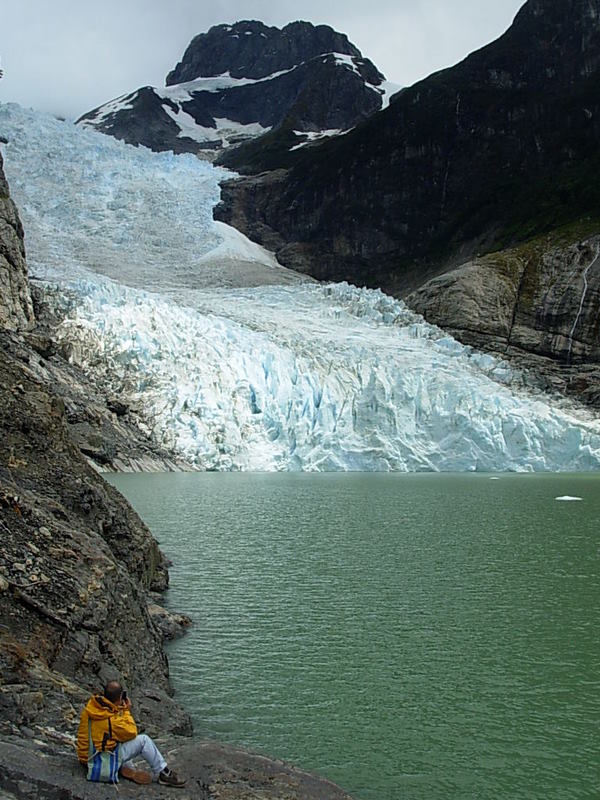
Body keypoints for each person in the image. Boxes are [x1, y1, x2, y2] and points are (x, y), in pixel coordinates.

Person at [77, 679, 186, 787]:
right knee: (143, 740)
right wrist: (126, 711)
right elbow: (132, 732)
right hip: (99, 759)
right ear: (120, 697)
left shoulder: (91, 707)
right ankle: (164, 773)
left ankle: (125, 767)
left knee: (114, 737)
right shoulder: (113, 721)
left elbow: (106, 729)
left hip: (85, 756)